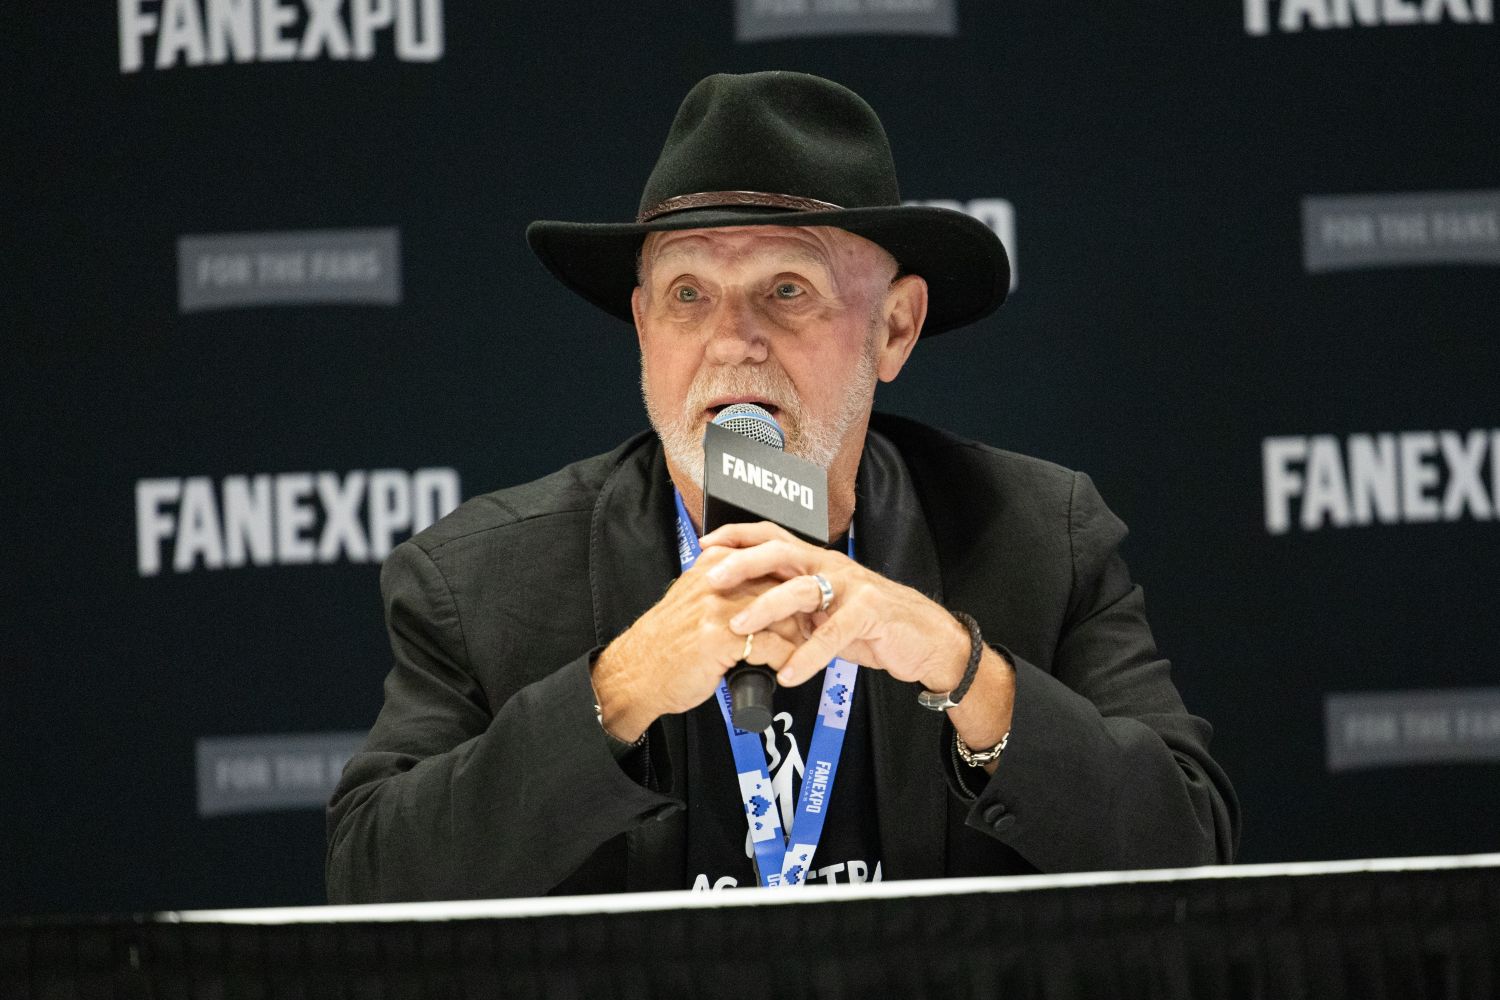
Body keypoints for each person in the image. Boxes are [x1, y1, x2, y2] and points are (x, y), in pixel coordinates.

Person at [326, 70, 1238, 901]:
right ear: (643, 326)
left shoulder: (1042, 539)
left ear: (895, 328)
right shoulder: (477, 582)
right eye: (689, 294)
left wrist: (962, 670)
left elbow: (1193, 849)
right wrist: (621, 690)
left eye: (787, 289)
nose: (732, 340)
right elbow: (371, 883)